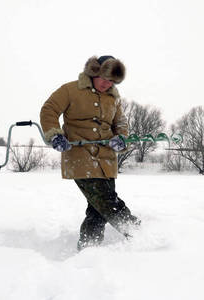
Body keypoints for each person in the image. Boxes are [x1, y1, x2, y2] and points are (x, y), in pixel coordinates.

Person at [40, 55, 140, 251]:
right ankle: (137, 232)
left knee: (97, 210)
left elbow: (120, 123)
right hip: (80, 158)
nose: (107, 83)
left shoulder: (114, 98)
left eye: (112, 80)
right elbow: (49, 110)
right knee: (107, 202)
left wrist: (121, 138)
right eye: (104, 78)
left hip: (107, 161)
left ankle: (89, 248)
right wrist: (55, 135)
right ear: (93, 72)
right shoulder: (70, 90)